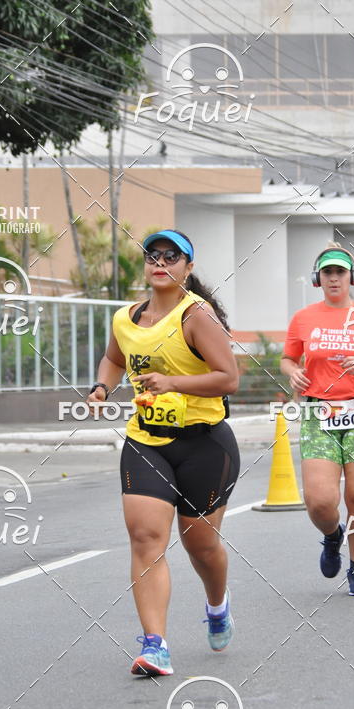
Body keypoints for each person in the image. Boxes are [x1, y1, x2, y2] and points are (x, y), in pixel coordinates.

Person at [87, 229, 240, 677]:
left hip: (204, 443)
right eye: (153, 254)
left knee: (200, 543)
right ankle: (155, 646)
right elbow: (115, 359)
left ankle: (217, 605)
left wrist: (173, 382)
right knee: (146, 538)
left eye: (172, 256)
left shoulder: (197, 317)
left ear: (187, 268)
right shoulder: (126, 318)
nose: (160, 261)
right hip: (146, 440)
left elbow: (228, 377)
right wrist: (102, 386)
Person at [280, 242, 354, 596]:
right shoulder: (303, 318)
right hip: (320, 412)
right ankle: (333, 536)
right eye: (328, 272)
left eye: (340, 272)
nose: (334, 278)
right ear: (318, 278)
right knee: (319, 501)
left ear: (352, 277)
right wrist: (292, 373)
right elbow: (288, 358)